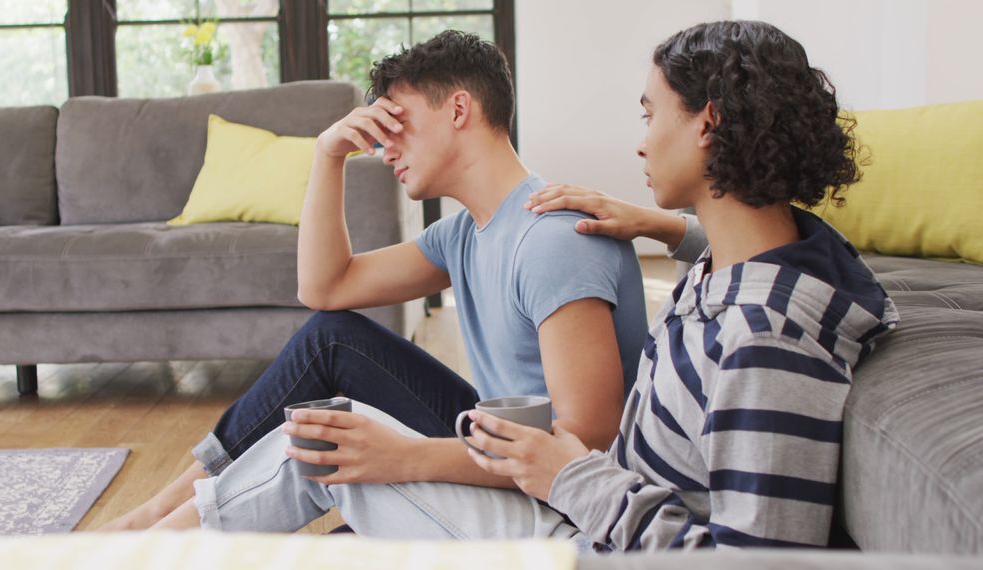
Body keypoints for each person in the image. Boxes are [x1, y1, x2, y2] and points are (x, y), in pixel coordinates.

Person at [147, 20, 899, 551]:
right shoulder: (739, 272)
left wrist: (555, 471)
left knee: (310, 448)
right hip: (579, 495)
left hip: (582, 525)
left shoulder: (762, 338)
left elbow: (745, 548)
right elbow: (328, 287)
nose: (637, 139)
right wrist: (657, 224)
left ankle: (119, 551)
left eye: (650, 113)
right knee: (327, 427)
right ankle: (153, 530)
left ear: (710, 123)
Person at [101, 30, 647, 531]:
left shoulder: (553, 240)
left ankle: (158, 528)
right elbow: (326, 290)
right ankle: (160, 512)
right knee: (332, 337)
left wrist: (400, 456)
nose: (384, 147)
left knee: (339, 532)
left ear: (459, 109)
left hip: (564, 501)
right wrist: (327, 156)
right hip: (502, 451)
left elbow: (587, 440)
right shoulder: (463, 234)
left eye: (397, 122)